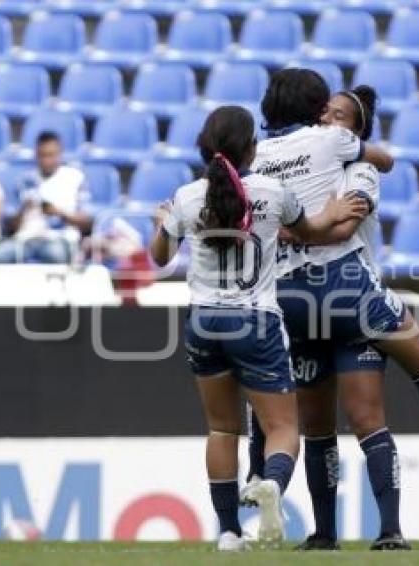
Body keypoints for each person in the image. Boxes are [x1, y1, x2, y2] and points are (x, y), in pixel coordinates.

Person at [246, 71, 419, 550]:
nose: (332, 118)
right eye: (327, 111)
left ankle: (322, 522)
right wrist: (313, 223)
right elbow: (346, 218)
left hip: (287, 297)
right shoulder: (340, 151)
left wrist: (286, 230)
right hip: (347, 289)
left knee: (334, 418)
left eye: (342, 115)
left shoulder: (257, 158)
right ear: (316, 113)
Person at [150, 105, 370, 552]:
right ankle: (271, 483)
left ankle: (229, 532)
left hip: (204, 320)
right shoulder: (273, 191)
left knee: (222, 429)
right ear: (251, 147)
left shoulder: (189, 196)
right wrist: (334, 212)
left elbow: (159, 257)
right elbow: (307, 231)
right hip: (256, 320)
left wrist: (161, 225)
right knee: (283, 427)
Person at [0, 132, 91, 264]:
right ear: (36, 155)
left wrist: (59, 213)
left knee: (55, 255)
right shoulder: (24, 181)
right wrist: (24, 209)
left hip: (58, 238)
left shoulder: (75, 178)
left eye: (51, 155)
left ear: (60, 154)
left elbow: (87, 222)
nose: (46, 161)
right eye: (42, 155)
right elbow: (10, 226)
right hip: (25, 238)